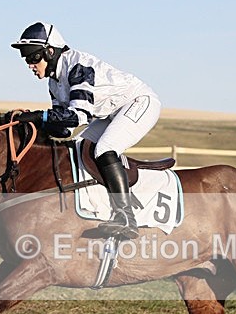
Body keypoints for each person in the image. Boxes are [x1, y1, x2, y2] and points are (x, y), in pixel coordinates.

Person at [9, 21, 161, 239]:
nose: (30, 64)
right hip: (110, 113)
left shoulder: (78, 67)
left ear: (50, 51)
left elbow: (79, 116)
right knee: (78, 148)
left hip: (140, 103)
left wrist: (38, 115)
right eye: (26, 58)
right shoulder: (54, 82)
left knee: (104, 149)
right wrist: (34, 124)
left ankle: (126, 218)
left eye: (33, 57)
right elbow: (65, 129)